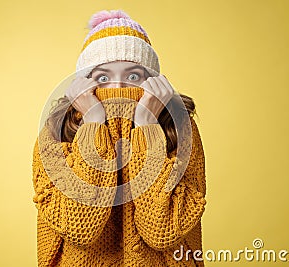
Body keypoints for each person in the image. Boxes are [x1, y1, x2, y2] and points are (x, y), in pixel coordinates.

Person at [32, 9, 207, 267]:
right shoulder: (55, 134)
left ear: (153, 83)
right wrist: (93, 124)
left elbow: (162, 231)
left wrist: (147, 126)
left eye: (133, 76)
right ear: (83, 85)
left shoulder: (180, 129)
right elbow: (81, 228)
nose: (118, 90)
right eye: (103, 78)